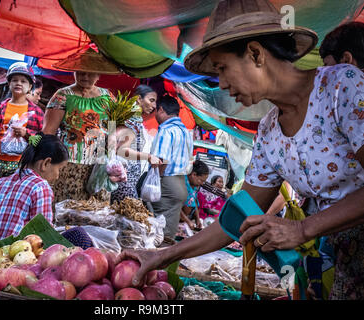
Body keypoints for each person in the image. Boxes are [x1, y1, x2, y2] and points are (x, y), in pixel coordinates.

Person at [120, 0, 364, 300]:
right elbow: (237, 217)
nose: (221, 83)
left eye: (222, 68)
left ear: (255, 54)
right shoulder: (270, 131)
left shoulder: (342, 87)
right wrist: (163, 255)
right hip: (339, 267)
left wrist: (303, 229)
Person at [42, 48, 120, 202]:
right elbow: (48, 132)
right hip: (67, 164)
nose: (85, 76)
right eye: (80, 72)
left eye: (90, 72)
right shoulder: (62, 95)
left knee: (95, 213)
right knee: (66, 211)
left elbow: (112, 130)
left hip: (98, 166)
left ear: (98, 74)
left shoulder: (108, 98)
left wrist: (111, 155)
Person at [0, 133, 68, 243]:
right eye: (59, 169)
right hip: (17, 257)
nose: (57, 176)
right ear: (46, 163)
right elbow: (44, 235)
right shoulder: (41, 187)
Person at [0, 62, 44, 189]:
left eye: (23, 81)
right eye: (14, 80)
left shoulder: (37, 113)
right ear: (9, 84)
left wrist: (27, 134)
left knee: (13, 198)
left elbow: (41, 139)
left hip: (21, 165)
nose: (18, 83)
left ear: (30, 86)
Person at [148, 95, 193, 241]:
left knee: (158, 230)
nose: (155, 115)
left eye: (156, 110)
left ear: (161, 109)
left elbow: (161, 160)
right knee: (169, 227)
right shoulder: (185, 131)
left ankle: (158, 260)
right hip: (180, 182)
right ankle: (167, 260)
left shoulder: (166, 130)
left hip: (167, 181)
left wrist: (156, 180)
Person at [111, 86, 162, 203]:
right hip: (124, 180)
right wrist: (148, 157)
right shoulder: (132, 120)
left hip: (122, 177)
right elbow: (122, 151)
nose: (154, 106)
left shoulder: (128, 117)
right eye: (151, 100)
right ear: (139, 99)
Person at [179, 160, 209, 231]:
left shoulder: (195, 186)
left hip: (183, 220)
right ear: (194, 175)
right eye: (201, 180)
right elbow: (175, 205)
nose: (202, 183)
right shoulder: (181, 182)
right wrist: (187, 221)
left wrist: (197, 219)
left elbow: (194, 201)